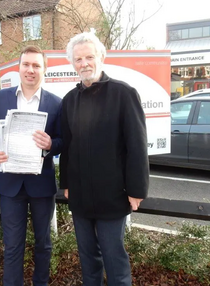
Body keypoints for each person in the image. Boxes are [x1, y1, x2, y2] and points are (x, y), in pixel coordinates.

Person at [60, 32, 150, 286]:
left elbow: (137, 145)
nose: (84, 63)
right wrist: (66, 183)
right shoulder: (70, 100)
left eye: (89, 57)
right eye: (78, 59)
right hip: (79, 196)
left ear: (101, 57)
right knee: (88, 261)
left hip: (113, 195)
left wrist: (136, 190)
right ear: (73, 64)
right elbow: (67, 146)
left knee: (115, 260)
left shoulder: (123, 93)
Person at [0, 45, 62, 286]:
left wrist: (51, 144)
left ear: (44, 70)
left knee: (43, 244)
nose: (30, 70)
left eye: (36, 65)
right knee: (13, 245)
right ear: (19, 68)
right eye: (26, 64)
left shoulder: (57, 103)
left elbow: (63, 140)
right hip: (11, 185)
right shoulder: (0, 97)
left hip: (41, 185)